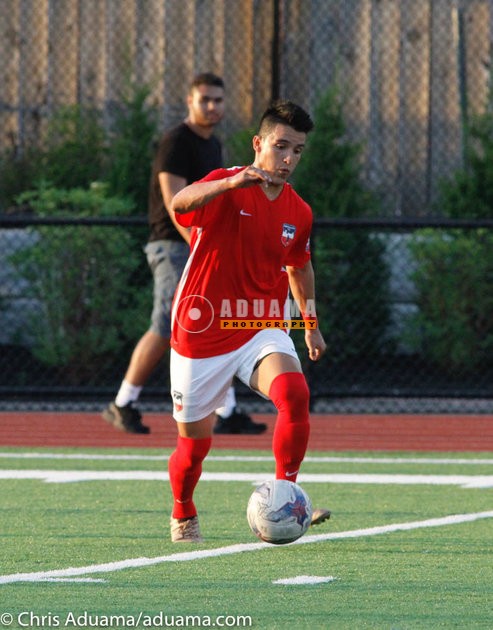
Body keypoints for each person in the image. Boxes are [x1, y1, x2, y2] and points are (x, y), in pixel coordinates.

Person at [167, 99, 331, 542]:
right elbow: (179, 204)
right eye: (281, 146)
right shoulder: (227, 183)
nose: (289, 158)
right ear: (258, 143)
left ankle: (287, 495)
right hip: (201, 330)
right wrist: (229, 183)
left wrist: (310, 324)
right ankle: (183, 510)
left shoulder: (299, 211)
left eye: (297, 150)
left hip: (259, 325)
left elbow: (299, 267)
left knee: (294, 393)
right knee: (194, 446)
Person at [102, 73, 266, 436]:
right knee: (166, 324)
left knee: (212, 324)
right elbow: (175, 203)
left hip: (200, 246)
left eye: (218, 100)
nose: (212, 106)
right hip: (175, 246)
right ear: (190, 101)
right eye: (205, 99)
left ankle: (227, 411)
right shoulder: (176, 141)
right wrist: (200, 246)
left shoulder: (213, 145)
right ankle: (123, 402)